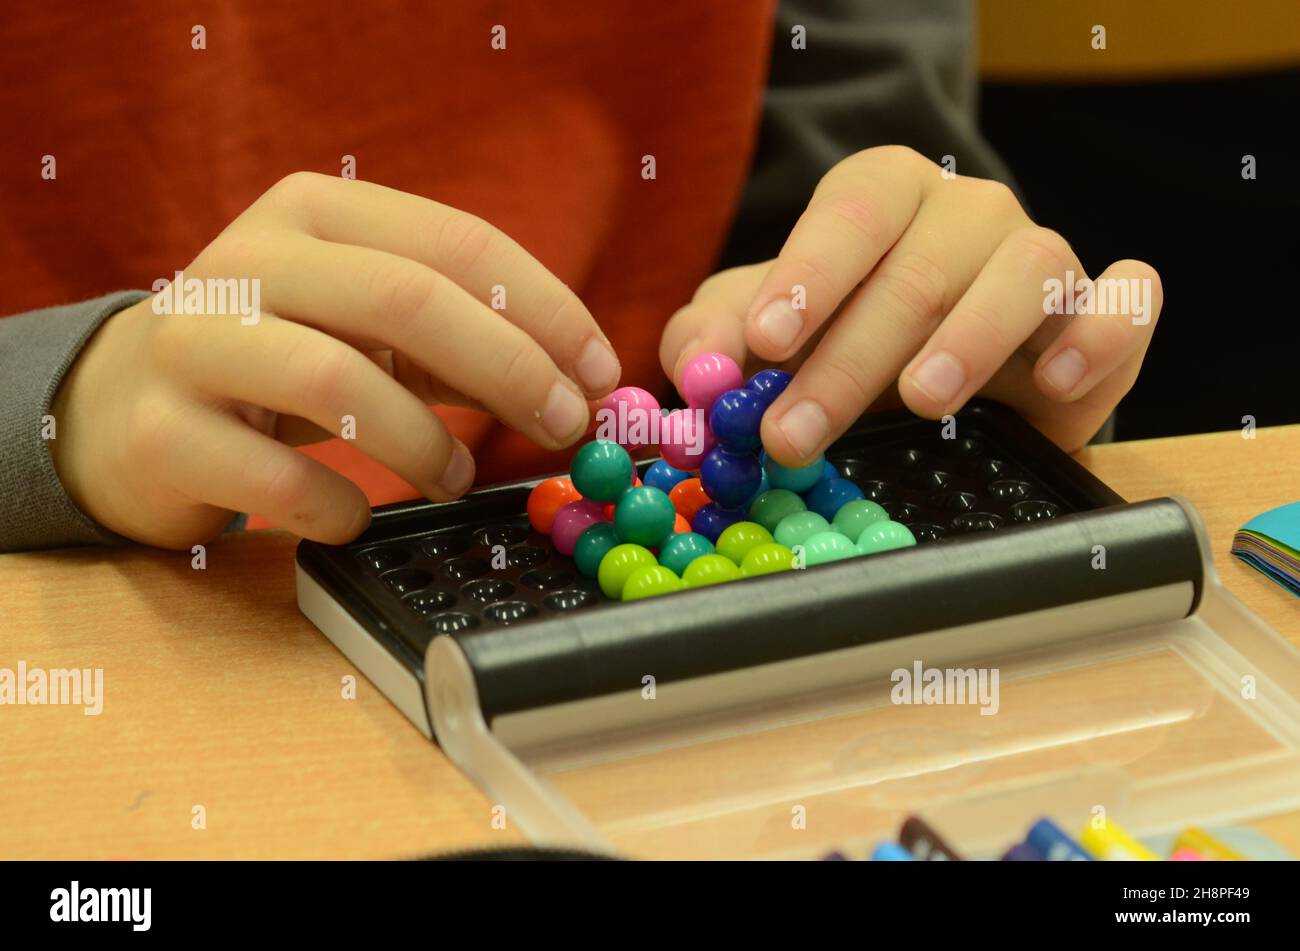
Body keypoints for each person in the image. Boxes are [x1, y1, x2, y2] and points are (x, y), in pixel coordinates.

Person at [0, 1, 1160, 552]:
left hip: (663, 560)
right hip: (154, 626)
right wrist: (51, 411)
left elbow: (835, 109)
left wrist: (914, 368)